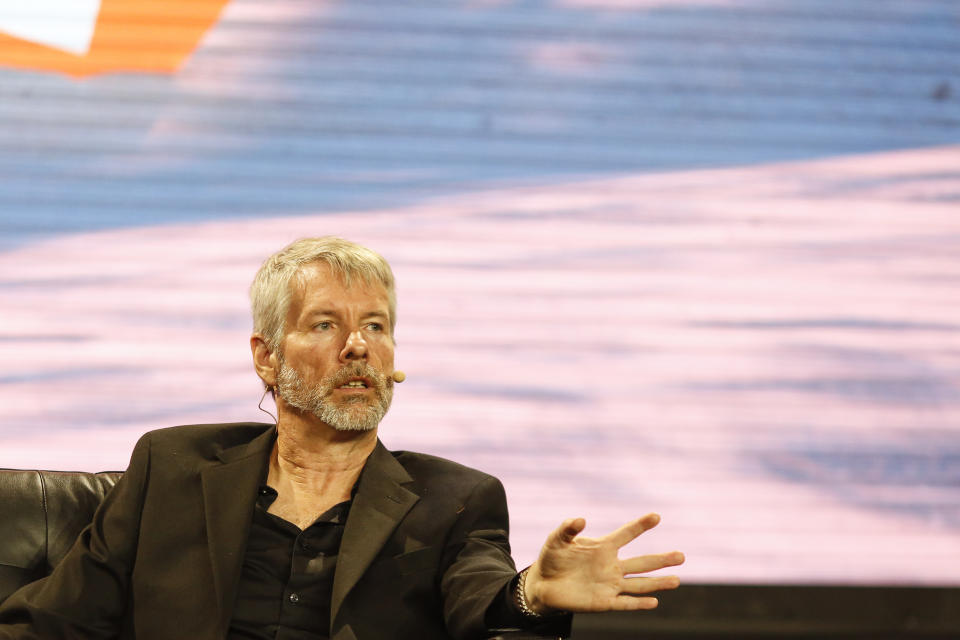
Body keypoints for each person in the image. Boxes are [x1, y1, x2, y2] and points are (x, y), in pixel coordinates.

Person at [0, 237, 684, 640]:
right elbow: (55, 622)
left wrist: (530, 593)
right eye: (325, 325)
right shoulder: (172, 467)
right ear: (267, 357)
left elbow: (478, 597)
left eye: (377, 327)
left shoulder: (455, 500)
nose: (358, 347)